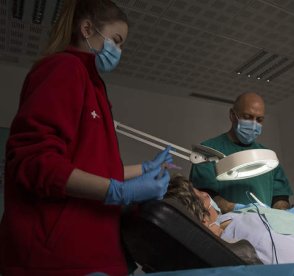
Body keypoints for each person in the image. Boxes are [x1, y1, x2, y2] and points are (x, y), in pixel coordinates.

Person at [0, 1, 172, 275]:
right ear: (87, 28)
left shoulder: (93, 85)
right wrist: (119, 191)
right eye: (116, 41)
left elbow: (87, 167)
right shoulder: (64, 69)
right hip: (56, 257)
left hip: (93, 248)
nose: (119, 51)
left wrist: (143, 169)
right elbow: (35, 163)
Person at [165, 175, 294, 264]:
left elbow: (283, 216)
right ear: (197, 207)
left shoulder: (231, 216)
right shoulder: (245, 238)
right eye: (199, 191)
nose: (206, 194)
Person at [190, 92, 293, 213]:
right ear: (233, 115)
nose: (254, 124)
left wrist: (281, 214)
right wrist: (239, 211)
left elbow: (280, 195)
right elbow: (204, 195)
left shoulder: (268, 157)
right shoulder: (208, 151)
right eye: (247, 117)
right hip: (225, 227)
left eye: (259, 119)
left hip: (264, 227)